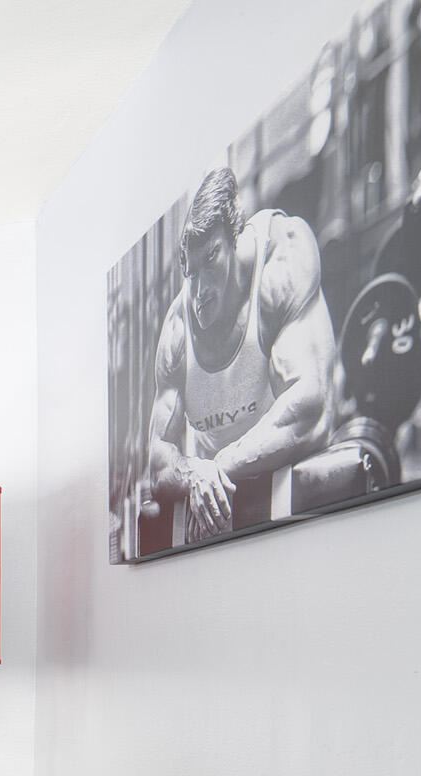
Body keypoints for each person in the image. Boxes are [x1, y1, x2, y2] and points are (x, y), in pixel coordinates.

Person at [145, 167, 338, 540]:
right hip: (219, 507)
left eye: (211, 259)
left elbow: (309, 409)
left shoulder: (281, 261)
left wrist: (217, 466)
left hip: (297, 506)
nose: (199, 289)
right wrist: (194, 474)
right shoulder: (177, 329)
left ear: (235, 236)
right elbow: (157, 458)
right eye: (191, 269)